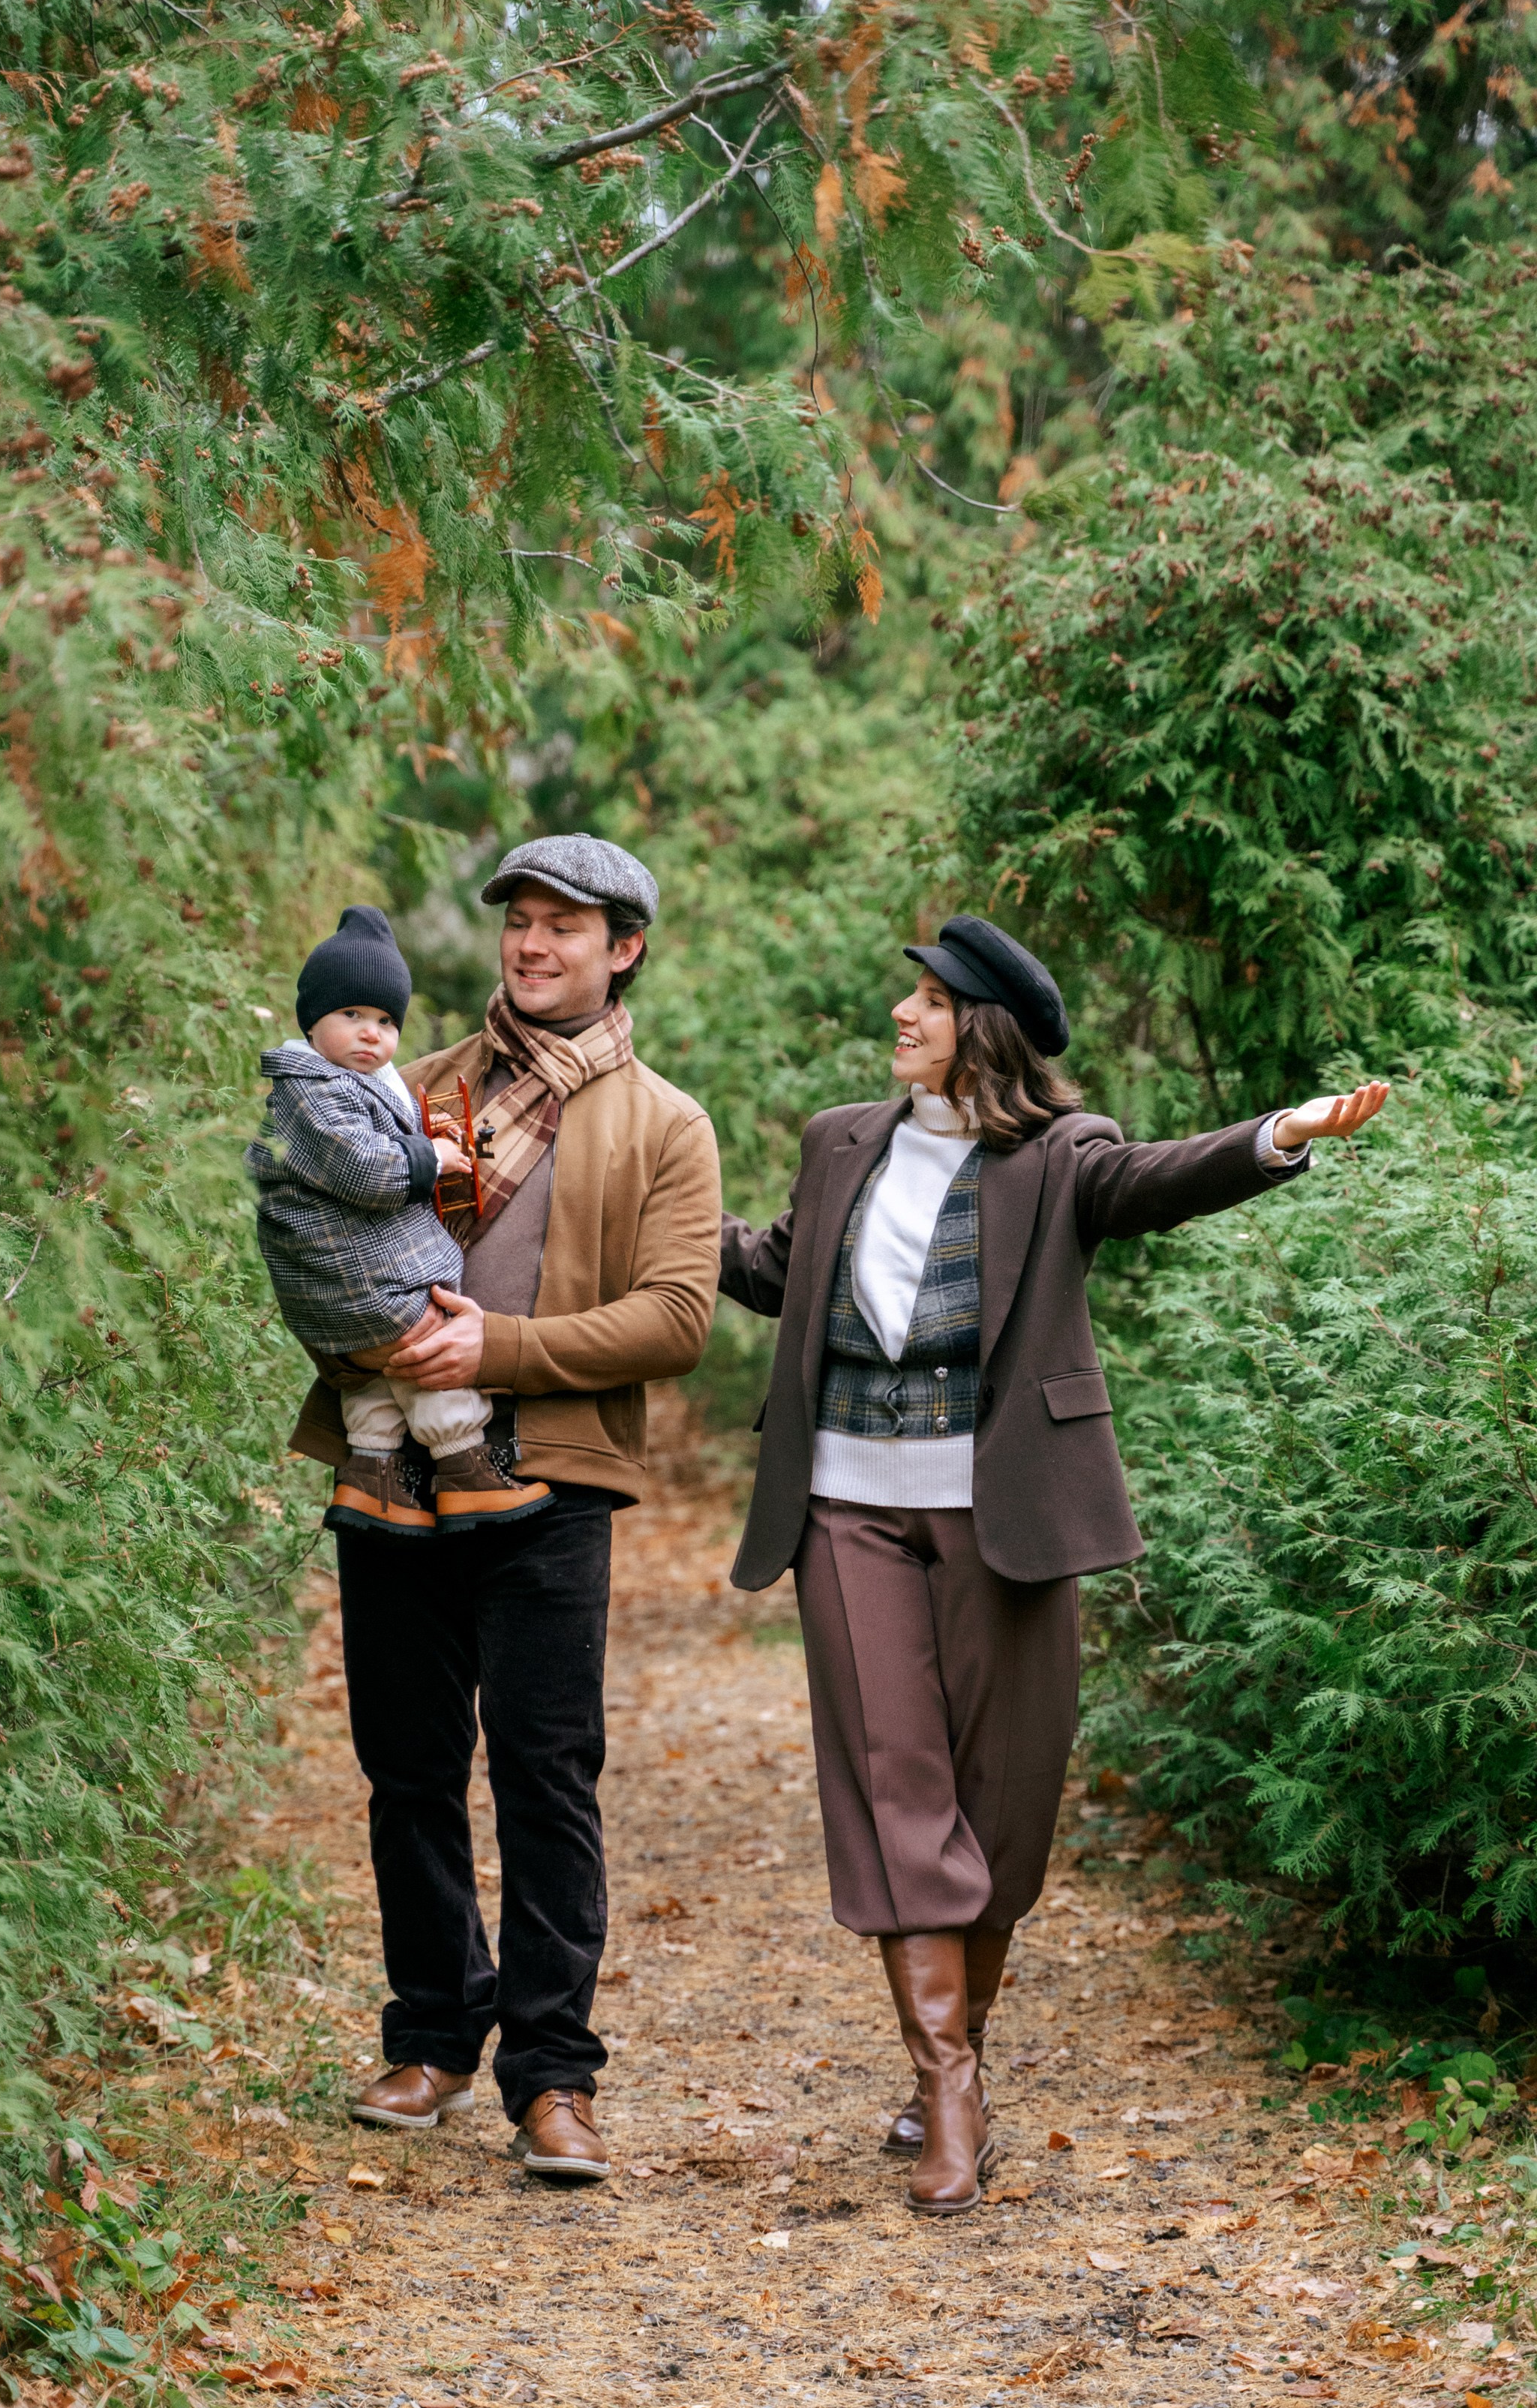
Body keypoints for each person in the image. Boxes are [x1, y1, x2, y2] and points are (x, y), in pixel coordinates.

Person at [719, 915, 1388, 2217]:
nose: (903, 1016)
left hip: (1004, 1510)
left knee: (1004, 1803)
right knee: (896, 1783)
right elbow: (781, 1270)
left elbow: (1155, 1180)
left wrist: (1279, 1135)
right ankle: (948, 2091)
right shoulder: (841, 1140)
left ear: (982, 1030)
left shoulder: (1060, 1157)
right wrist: (661, 1215)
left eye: (929, 1002)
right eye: (910, 999)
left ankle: (959, 2053)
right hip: (845, 1501)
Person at [287, 837, 722, 2181]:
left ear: (623, 949)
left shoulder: (666, 1124)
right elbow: (309, 1231)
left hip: (556, 1485)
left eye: (564, 927)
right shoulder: (407, 1086)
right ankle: (431, 2038)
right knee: (407, 1770)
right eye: (520, 922)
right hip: (395, 1476)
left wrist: (502, 1349)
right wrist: (367, 1344)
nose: (533, 946)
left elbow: (678, 1318)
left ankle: (553, 2077)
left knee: (545, 1773)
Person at [249, 905, 553, 1535]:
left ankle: (371, 1474)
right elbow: (365, 1169)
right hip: (361, 1282)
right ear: (312, 1021)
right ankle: (465, 1468)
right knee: (431, 1348)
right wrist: (430, 1156)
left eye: (386, 1021)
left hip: (337, 1293)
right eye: (351, 1015)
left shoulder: (351, 1084)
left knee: (379, 1379)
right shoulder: (314, 1091)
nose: (371, 1034)